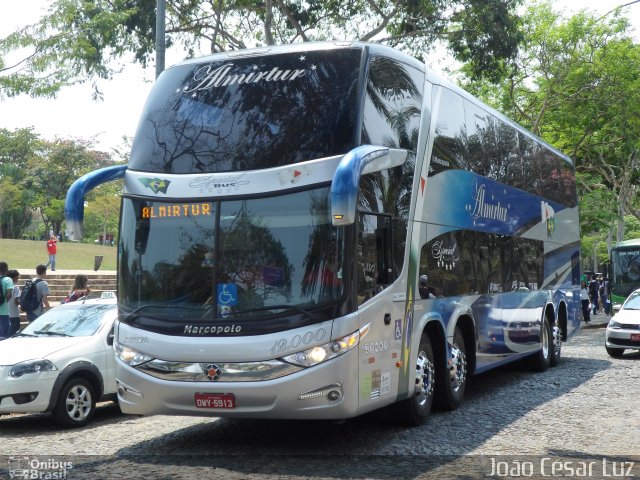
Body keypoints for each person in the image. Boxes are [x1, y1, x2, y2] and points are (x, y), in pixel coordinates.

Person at [0, 261, 14, 340]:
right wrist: (5, 301)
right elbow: (9, 294)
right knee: (4, 336)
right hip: (3, 312)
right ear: (6, 270)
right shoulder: (8, 279)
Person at [7, 269, 21, 336]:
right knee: (13, 334)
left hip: (4, 314)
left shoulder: (4, 286)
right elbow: (16, 301)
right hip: (14, 315)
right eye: (17, 276)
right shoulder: (15, 288)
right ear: (13, 277)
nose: (18, 278)